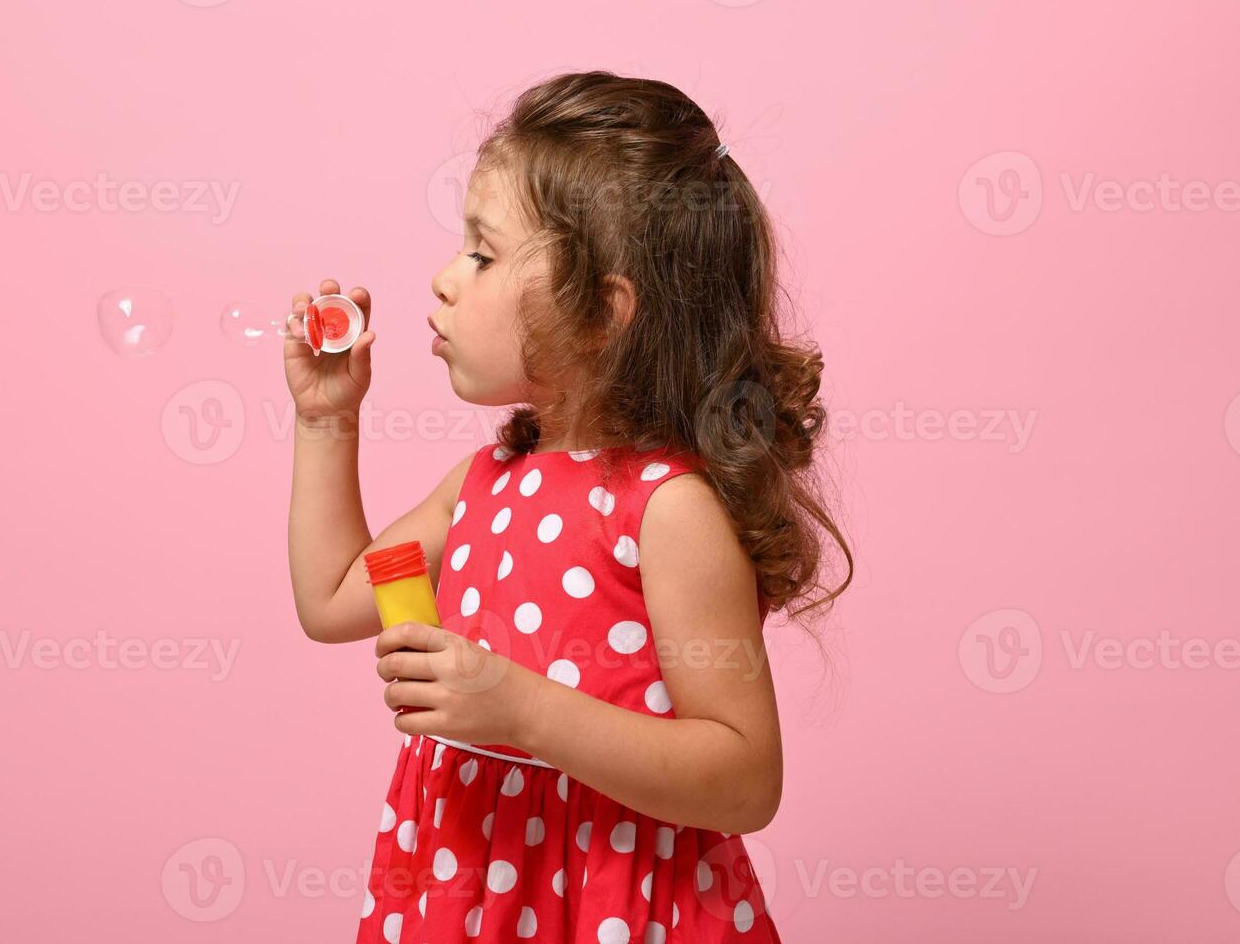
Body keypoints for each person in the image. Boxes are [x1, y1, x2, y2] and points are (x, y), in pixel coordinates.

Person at [286, 70, 851, 943]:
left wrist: (524, 713)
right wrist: (327, 419)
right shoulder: (481, 483)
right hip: (467, 889)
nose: (442, 279)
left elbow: (745, 779)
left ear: (599, 314)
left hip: (611, 904)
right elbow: (329, 598)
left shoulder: (668, 509)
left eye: (481, 253)